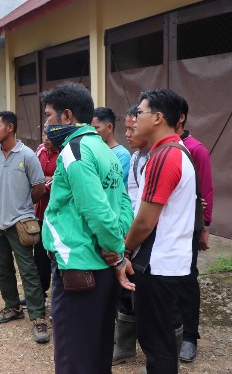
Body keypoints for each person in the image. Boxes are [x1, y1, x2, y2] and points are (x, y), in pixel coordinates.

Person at [40, 82, 134, 373]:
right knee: (97, 349)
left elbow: (98, 212)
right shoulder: (105, 150)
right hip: (101, 267)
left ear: (67, 117)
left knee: (74, 356)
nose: (46, 124)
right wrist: (116, 251)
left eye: (49, 116)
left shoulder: (74, 152)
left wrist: (117, 253)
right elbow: (125, 206)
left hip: (77, 267)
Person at [117, 89, 197, 373]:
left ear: (158, 117)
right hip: (166, 261)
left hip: (157, 263)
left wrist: (124, 250)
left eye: (140, 113)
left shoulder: (164, 156)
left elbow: (145, 221)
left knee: (156, 341)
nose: (135, 119)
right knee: (158, 337)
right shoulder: (174, 151)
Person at [0, 111, 49, 343]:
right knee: (3, 268)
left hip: (19, 223)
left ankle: (38, 318)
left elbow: (40, 187)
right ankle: (12, 306)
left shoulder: (27, 155)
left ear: (10, 127)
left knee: (28, 270)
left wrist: (23, 207)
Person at [175, 96, 214, 363]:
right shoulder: (156, 147)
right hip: (163, 228)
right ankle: (171, 332)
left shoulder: (195, 148)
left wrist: (205, 227)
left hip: (188, 228)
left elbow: (207, 190)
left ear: (179, 118)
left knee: (187, 281)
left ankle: (189, 336)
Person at [112, 104, 151, 365]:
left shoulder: (161, 157)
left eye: (132, 127)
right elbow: (131, 198)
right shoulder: (136, 157)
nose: (128, 133)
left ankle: (157, 356)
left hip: (150, 239)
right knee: (126, 291)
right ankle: (124, 347)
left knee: (150, 298)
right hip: (133, 233)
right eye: (126, 127)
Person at [34, 131, 58, 301]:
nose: (47, 138)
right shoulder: (40, 150)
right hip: (39, 214)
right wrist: (43, 180)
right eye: (44, 133)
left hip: (56, 217)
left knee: (55, 257)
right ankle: (39, 295)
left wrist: (41, 183)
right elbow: (32, 176)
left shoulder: (64, 153)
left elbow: (57, 182)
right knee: (39, 256)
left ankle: (57, 297)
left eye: (51, 134)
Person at [92, 107, 131, 185]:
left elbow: (109, 183)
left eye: (96, 128)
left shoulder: (122, 155)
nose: (92, 131)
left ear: (109, 127)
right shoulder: (93, 151)